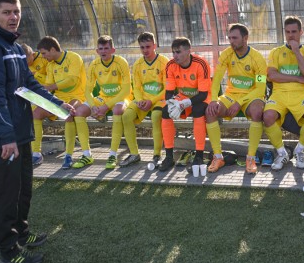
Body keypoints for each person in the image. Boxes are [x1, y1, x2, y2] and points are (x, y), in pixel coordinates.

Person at [0, 0, 74, 263]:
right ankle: (8, 250)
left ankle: (21, 233)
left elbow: (29, 85)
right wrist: (5, 137)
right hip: (3, 136)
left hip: (21, 130)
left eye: (16, 12)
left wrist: (59, 105)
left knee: (22, 188)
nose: (13, 17)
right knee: (5, 193)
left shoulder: (14, 47)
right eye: (6, 12)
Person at [206, 23, 267, 174]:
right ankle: (218, 157)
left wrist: (240, 102)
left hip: (251, 96)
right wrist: (214, 99)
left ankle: (250, 158)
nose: (231, 41)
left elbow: (260, 88)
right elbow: (216, 80)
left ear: (245, 38)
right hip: (231, 95)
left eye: (235, 38)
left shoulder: (258, 58)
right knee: (210, 111)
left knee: (257, 112)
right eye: (229, 38)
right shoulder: (226, 54)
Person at [263, 16, 304, 171]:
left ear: (301, 32)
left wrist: (296, 51)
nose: (290, 35)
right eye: (287, 32)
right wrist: (297, 78)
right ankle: (282, 153)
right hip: (279, 93)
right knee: (267, 117)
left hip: (301, 93)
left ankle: (299, 150)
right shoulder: (276, 52)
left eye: (294, 32)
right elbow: (272, 76)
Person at [73, 35, 132, 170]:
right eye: (101, 49)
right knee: (79, 112)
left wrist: (106, 106)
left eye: (106, 48)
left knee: (117, 110)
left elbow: (126, 90)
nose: (104, 51)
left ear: (113, 50)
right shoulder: (94, 65)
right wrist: (93, 106)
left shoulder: (121, 62)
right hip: (102, 97)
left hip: (120, 97)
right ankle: (86, 155)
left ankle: (112, 154)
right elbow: (87, 90)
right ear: (97, 51)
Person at [32, 36, 87, 169]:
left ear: (52, 49)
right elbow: (48, 85)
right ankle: (36, 153)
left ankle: (68, 155)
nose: (43, 57)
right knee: (36, 113)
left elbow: (72, 80)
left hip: (77, 97)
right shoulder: (50, 65)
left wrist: (49, 87)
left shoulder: (73, 57)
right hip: (58, 99)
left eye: (44, 53)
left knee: (68, 114)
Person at [158, 37, 211, 172]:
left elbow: (203, 94)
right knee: (165, 111)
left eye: (178, 52)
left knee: (198, 110)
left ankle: (199, 155)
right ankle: (169, 157)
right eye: (173, 52)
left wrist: (186, 103)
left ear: (188, 51)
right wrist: (173, 103)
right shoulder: (170, 65)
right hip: (182, 99)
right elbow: (169, 92)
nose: (175, 56)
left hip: (201, 98)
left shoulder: (201, 63)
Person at [122, 32, 169, 167]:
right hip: (142, 100)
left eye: (148, 46)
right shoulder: (137, 64)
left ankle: (156, 154)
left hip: (159, 99)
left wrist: (151, 101)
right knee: (126, 117)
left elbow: (167, 88)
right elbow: (136, 86)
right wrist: (140, 99)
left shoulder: (164, 62)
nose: (145, 50)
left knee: (156, 116)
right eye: (142, 47)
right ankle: (134, 154)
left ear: (155, 45)